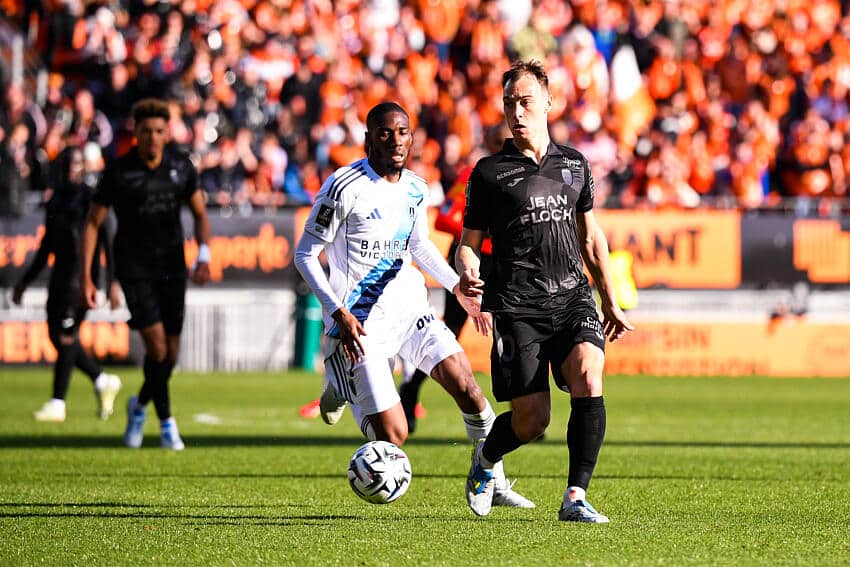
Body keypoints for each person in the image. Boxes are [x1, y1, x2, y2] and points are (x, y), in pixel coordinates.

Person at [294, 101, 533, 509]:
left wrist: (457, 287)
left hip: (411, 311)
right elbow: (304, 254)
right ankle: (341, 381)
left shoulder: (417, 188)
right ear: (369, 139)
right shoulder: (343, 186)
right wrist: (338, 312)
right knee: (395, 437)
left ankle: (493, 480)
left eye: (403, 132)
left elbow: (419, 245)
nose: (396, 140)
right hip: (362, 324)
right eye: (385, 133)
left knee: (470, 390)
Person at [456, 60, 634, 522]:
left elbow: (591, 237)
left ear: (549, 103)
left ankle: (575, 496)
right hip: (518, 305)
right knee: (533, 422)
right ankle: (486, 460)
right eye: (509, 103)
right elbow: (468, 245)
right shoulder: (489, 173)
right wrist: (469, 267)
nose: (517, 112)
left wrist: (610, 299)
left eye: (526, 102)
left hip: (574, 296)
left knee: (590, 376)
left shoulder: (575, 166)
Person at [81, 98, 211, 451]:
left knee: (169, 354)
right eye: (146, 132)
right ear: (135, 134)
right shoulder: (119, 171)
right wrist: (89, 278)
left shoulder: (181, 167)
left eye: (158, 131)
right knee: (155, 349)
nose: (152, 137)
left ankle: (138, 406)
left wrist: (204, 253)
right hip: (135, 270)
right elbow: (92, 224)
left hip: (172, 267)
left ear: (166, 133)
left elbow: (199, 213)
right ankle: (166, 422)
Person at [398, 123, 509, 433]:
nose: (507, 148)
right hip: (472, 260)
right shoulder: (474, 175)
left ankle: (520, 408)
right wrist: (482, 229)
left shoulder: (525, 176)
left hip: (505, 262)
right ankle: (411, 389)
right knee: (453, 329)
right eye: (502, 142)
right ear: (491, 143)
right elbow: (447, 217)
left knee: (511, 330)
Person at [12, 146, 123, 422]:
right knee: (56, 336)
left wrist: (113, 282)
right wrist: (24, 282)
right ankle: (101, 380)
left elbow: (110, 239)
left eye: (75, 164)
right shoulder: (57, 199)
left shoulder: (91, 199)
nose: (70, 169)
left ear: (83, 167)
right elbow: (46, 246)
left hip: (81, 279)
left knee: (66, 337)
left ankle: (57, 403)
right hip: (59, 277)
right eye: (66, 164)